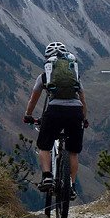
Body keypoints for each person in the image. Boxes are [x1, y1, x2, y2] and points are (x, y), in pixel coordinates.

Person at [23, 42, 88, 200]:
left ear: (47, 60)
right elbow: (83, 100)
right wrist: (84, 119)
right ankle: (71, 186)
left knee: (44, 145)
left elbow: (33, 100)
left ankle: (47, 176)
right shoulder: (74, 75)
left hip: (54, 111)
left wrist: (28, 115)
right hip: (75, 112)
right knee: (73, 151)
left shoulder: (44, 76)